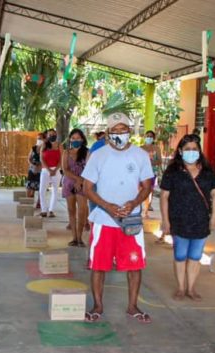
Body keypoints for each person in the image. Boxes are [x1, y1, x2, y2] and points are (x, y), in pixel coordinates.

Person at [82, 113, 154, 323]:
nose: (119, 134)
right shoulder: (98, 155)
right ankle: (97, 306)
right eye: (115, 131)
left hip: (131, 221)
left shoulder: (140, 155)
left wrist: (133, 203)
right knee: (98, 265)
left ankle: (132, 306)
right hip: (104, 219)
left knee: (134, 265)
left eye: (123, 130)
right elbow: (87, 188)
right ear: (107, 133)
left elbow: (147, 186)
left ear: (130, 132)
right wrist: (107, 206)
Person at [160, 134, 215, 301]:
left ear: (199, 151)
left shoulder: (207, 172)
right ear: (180, 151)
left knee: (195, 256)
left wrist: (213, 218)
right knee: (180, 255)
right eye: (187, 149)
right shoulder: (173, 172)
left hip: (201, 222)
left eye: (194, 149)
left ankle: (191, 288)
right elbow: (164, 197)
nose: (191, 152)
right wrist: (165, 221)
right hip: (178, 220)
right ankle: (180, 288)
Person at [61, 129, 89, 247]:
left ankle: (80, 237)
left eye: (78, 138)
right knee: (71, 210)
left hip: (83, 184)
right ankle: (74, 238)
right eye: (73, 138)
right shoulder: (66, 152)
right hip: (69, 183)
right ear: (70, 139)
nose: (75, 140)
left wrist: (81, 181)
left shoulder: (87, 152)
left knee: (82, 211)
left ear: (82, 139)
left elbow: (89, 169)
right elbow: (65, 169)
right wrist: (77, 179)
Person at [39, 128, 61, 218]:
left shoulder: (59, 145)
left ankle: (51, 210)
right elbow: (41, 158)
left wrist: (55, 170)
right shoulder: (44, 145)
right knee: (42, 190)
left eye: (53, 134)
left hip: (56, 170)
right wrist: (49, 170)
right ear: (47, 136)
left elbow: (61, 159)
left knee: (55, 191)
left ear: (56, 135)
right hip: (45, 170)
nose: (52, 136)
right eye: (50, 134)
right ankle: (44, 210)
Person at [141, 131, 163, 217]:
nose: (149, 138)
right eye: (147, 136)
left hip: (153, 172)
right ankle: (141, 204)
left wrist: (152, 162)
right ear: (144, 137)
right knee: (141, 189)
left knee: (150, 190)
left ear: (153, 138)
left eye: (150, 136)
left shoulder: (156, 148)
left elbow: (160, 161)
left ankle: (148, 206)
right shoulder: (141, 148)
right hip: (142, 172)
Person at [26, 132, 45, 204]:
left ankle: (39, 203)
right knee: (29, 186)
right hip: (32, 169)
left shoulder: (45, 149)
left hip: (41, 170)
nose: (39, 140)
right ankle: (29, 202)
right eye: (37, 138)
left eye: (40, 138)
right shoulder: (33, 148)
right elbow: (29, 158)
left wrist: (40, 166)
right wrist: (32, 165)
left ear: (44, 139)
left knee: (41, 187)